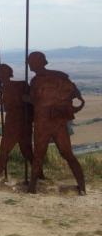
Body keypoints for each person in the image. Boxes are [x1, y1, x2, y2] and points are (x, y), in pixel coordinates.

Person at [26, 51, 85, 194]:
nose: (29, 65)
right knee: (67, 153)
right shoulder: (60, 76)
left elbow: (35, 100)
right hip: (57, 122)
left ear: (36, 63)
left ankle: (32, 188)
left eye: (30, 62)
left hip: (44, 122)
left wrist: (25, 98)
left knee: (39, 154)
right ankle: (82, 187)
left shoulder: (36, 81)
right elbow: (75, 94)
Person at [0, 63, 35, 187]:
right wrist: (3, 100)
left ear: (2, 75)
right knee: (27, 152)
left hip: (15, 123)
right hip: (22, 123)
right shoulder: (14, 86)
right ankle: (39, 176)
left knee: (5, 151)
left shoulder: (16, 86)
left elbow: (20, 101)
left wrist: (5, 100)